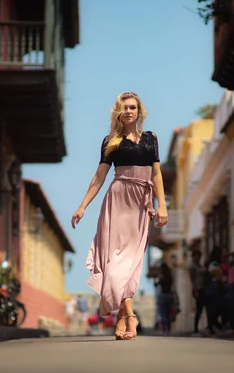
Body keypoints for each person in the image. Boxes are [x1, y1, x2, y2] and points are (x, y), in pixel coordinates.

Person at [71, 92, 168, 341]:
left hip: (140, 204)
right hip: (117, 200)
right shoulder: (110, 141)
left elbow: (156, 175)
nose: (129, 111)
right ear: (118, 112)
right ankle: (129, 315)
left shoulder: (151, 139)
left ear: (139, 111)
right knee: (114, 262)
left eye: (133, 107)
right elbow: (99, 177)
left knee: (131, 262)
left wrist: (162, 205)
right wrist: (82, 206)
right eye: (124, 107)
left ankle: (121, 317)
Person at [188, 250, 205, 337]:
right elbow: (192, 279)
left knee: (201, 309)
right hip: (197, 289)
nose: (198, 258)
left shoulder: (200, 266)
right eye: (196, 256)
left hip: (203, 289)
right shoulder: (192, 266)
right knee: (198, 309)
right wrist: (195, 290)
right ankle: (195, 329)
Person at [154, 263, 174, 335]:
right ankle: (168, 329)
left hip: (162, 296)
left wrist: (157, 277)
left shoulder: (161, 277)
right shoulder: (170, 276)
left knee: (163, 314)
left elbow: (155, 284)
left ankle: (164, 330)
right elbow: (171, 285)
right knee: (168, 314)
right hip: (169, 295)